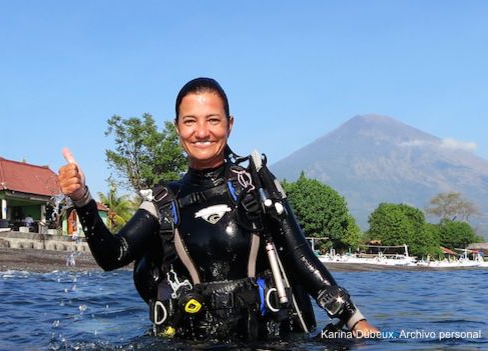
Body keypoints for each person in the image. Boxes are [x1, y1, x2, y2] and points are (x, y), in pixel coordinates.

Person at [58, 77, 378, 342]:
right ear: (177, 127)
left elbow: (299, 255)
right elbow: (112, 255)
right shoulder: (163, 200)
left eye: (213, 120)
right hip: (195, 341)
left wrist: (353, 318)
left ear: (230, 124)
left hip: (266, 340)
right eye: (190, 121)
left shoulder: (256, 187)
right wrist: (83, 200)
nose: (202, 132)